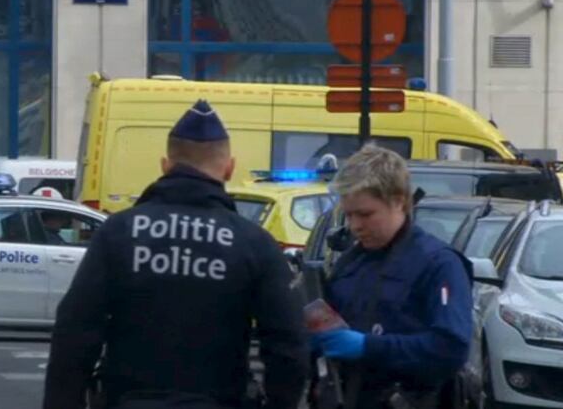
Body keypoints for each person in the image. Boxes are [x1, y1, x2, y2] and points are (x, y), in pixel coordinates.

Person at [44, 100, 308, 409]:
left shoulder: (118, 232)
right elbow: (288, 345)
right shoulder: (253, 242)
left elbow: (75, 331)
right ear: (229, 168)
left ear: (165, 166)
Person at [311, 145, 473, 409]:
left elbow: (450, 348)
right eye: (348, 215)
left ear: (398, 200)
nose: (355, 226)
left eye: (365, 214)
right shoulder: (351, 262)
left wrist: (368, 347)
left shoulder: (438, 264)